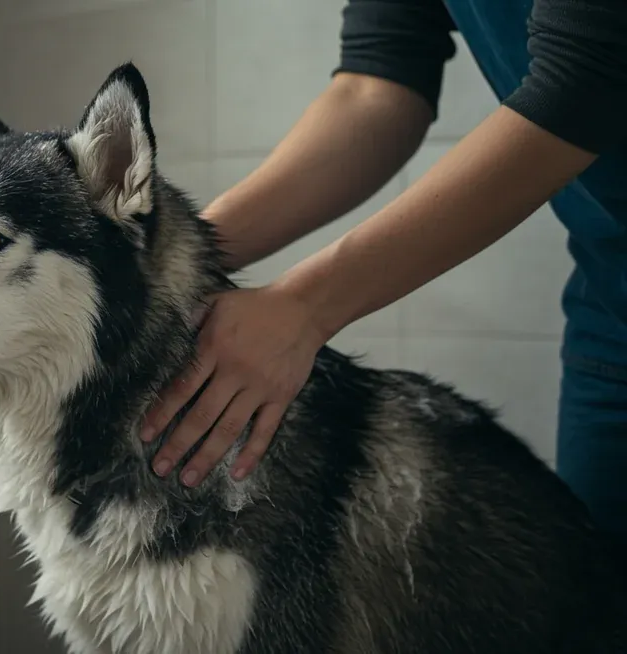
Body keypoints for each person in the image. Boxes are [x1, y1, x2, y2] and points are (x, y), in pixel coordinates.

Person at [140, 0, 627, 542]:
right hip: (611, 310)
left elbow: (587, 76)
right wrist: (174, 257)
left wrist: (305, 306)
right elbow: (378, 83)